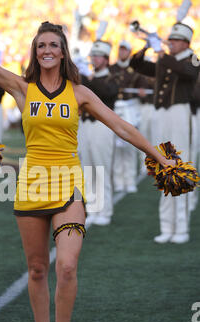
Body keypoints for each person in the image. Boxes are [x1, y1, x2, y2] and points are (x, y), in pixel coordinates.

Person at [0, 21, 175, 322]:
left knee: (68, 267)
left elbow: (121, 126)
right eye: (41, 45)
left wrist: (159, 157)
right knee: (37, 268)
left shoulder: (80, 93)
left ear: (62, 52)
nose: (46, 50)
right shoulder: (20, 87)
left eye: (53, 45)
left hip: (69, 183)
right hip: (31, 184)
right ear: (35, 51)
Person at [130, 22, 200, 244]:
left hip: (180, 114)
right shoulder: (164, 58)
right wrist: (146, 48)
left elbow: (189, 72)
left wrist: (161, 52)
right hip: (162, 116)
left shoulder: (194, 58)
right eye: (170, 40)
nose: (171, 43)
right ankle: (167, 226)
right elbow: (137, 66)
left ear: (185, 43)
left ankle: (181, 227)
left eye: (175, 40)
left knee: (180, 167)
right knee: (164, 167)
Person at [78, 40, 118, 226]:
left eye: (98, 55)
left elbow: (108, 93)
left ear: (106, 59)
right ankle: (93, 209)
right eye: (93, 55)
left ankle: (106, 211)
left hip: (103, 126)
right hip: (86, 125)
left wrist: (87, 78)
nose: (94, 58)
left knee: (101, 169)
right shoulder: (89, 78)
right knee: (88, 169)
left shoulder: (112, 77)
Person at [109, 40, 145, 193]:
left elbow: (144, 87)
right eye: (120, 49)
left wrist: (141, 91)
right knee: (116, 148)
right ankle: (118, 180)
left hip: (130, 107)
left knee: (130, 145)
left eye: (125, 50)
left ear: (129, 52)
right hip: (116, 108)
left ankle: (129, 179)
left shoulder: (136, 69)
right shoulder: (111, 69)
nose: (122, 52)